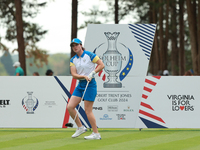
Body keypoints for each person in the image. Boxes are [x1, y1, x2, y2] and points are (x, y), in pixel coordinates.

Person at [67, 38, 105, 140]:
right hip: (81, 85)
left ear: (80, 45)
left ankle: (96, 134)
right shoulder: (73, 60)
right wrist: (84, 76)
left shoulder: (89, 55)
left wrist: (93, 73)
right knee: (70, 106)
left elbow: (101, 65)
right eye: (73, 46)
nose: (75, 47)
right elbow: (74, 75)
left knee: (88, 111)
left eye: (76, 45)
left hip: (90, 84)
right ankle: (80, 127)